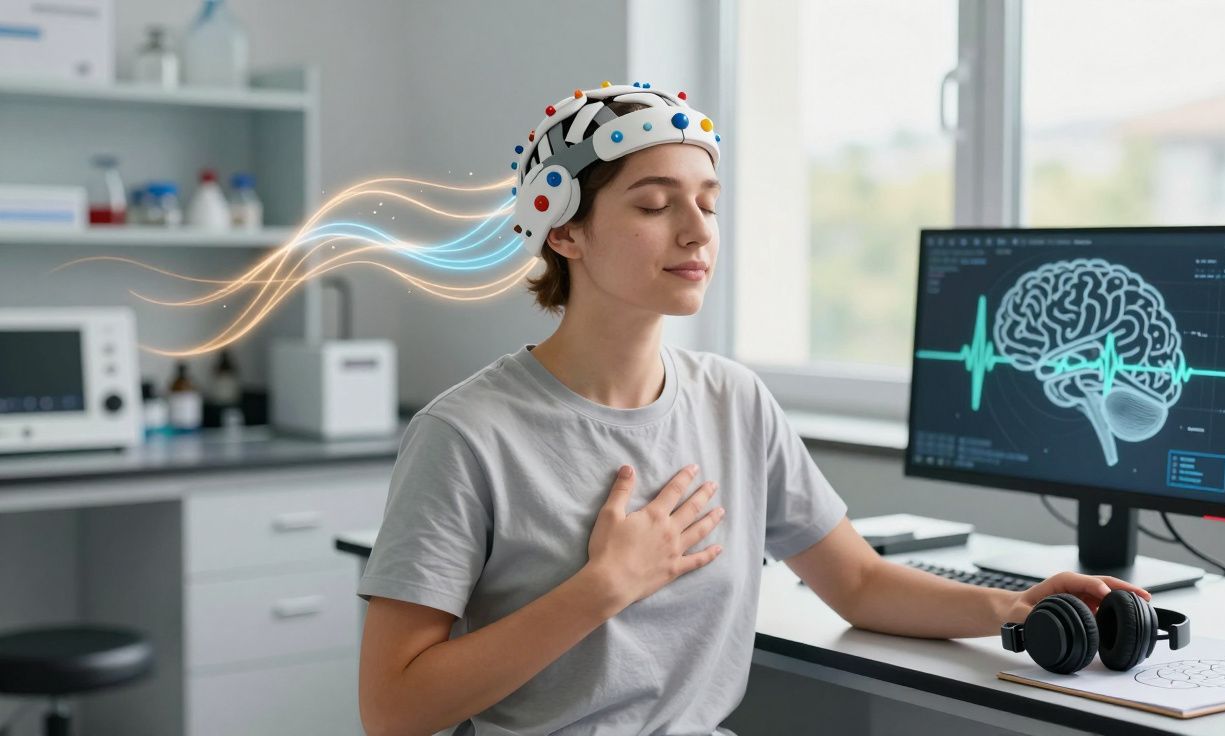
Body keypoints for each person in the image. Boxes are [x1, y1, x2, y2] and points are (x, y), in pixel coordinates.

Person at [356, 82, 1151, 736]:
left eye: (707, 202)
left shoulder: (735, 401)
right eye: (654, 204)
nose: (697, 229)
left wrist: (1015, 606)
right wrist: (604, 586)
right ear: (564, 231)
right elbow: (393, 709)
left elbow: (860, 585)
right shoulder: (466, 436)